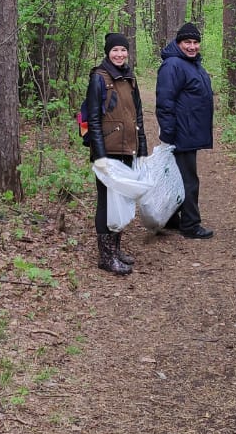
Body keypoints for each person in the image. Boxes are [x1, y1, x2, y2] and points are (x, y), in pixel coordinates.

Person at [89, 32, 148, 275]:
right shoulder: (99, 78)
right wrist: (100, 155)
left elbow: (138, 116)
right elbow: (93, 119)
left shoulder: (129, 77)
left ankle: (115, 249)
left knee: (121, 200)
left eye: (123, 50)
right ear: (108, 52)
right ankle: (106, 256)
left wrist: (142, 150)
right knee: (106, 203)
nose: (119, 54)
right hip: (108, 151)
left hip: (127, 149)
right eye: (115, 50)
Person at [155, 21, 215, 239]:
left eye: (195, 42)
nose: (192, 46)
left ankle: (171, 218)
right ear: (179, 43)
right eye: (187, 42)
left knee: (177, 177)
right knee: (188, 180)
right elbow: (165, 101)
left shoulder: (192, 63)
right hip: (181, 133)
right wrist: (168, 134)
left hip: (189, 131)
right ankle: (190, 225)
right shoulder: (173, 65)